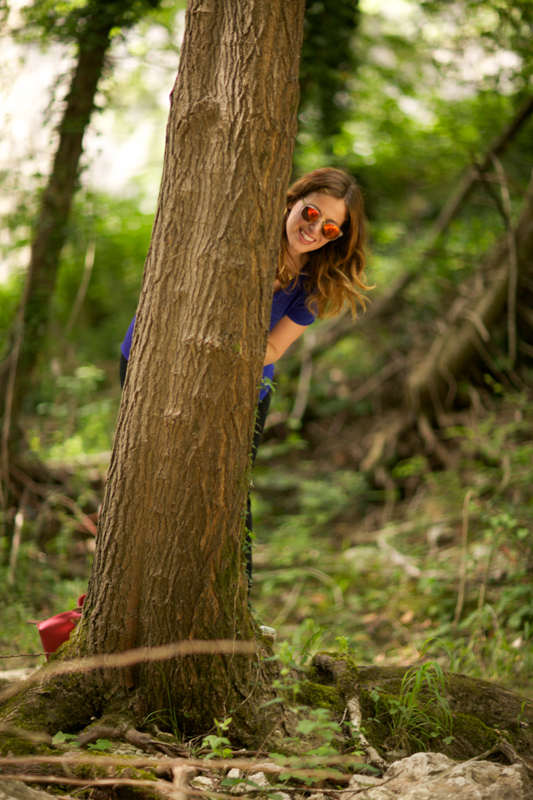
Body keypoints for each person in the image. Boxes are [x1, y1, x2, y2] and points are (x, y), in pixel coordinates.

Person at [119, 167, 370, 595]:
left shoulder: (314, 284)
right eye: (310, 213)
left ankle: (237, 602)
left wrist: (217, 350)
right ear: (293, 200)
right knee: (153, 478)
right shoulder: (244, 230)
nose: (313, 229)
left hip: (243, 391)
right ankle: (132, 592)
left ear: (338, 236)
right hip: (152, 362)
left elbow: (271, 351)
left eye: (329, 227)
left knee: (226, 493)